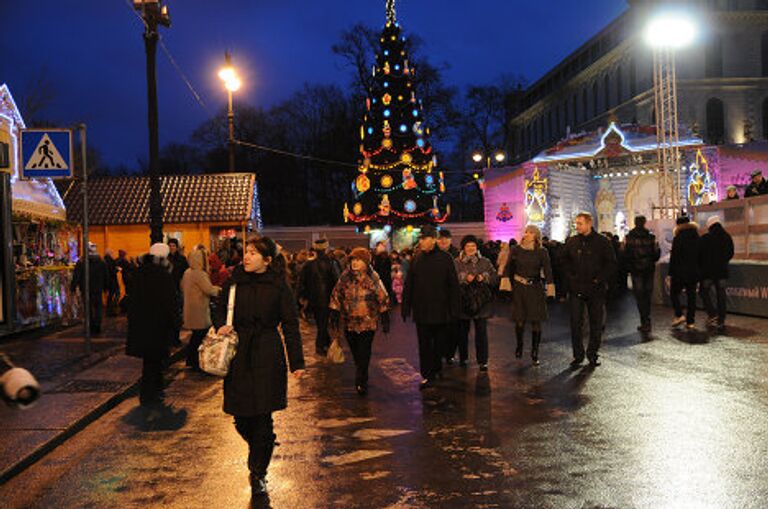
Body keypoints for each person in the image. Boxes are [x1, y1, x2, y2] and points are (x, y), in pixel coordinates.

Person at [213, 237, 305, 499]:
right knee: (240, 417)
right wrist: (220, 324)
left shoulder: (278, 286)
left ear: (267, 260)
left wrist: (296, 362)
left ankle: (258, 471)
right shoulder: (233, 282)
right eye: (246, 252)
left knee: (262, 415)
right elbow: (218, 310)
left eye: (253, 253)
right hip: (239, 354)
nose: (247, 256)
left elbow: (290, 324)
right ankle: (261, 445)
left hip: (267, 353)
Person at [126, 243, 185, 425]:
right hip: (158, 327)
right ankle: (151, 394)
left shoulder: (138, 273)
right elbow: (170, 303)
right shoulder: (163, 276)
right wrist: (176, 323)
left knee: (149, 361)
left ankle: (151, 393)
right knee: (154, 362)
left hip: (141, 326)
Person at [401, 225, 460, 389]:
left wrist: (455, 308)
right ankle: (427, 374)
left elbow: (453, 285)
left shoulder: (445, 258)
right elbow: (409, 285)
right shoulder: (417, 259)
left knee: (440, 343)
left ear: (433, 240)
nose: (421, 242)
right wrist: (406, 306)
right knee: (424, 344)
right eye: (420, 239)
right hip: (422, 310)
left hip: (441, 310)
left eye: (424, 238)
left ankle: (436, 367)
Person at [329, 247, 390, 395]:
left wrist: (385, 316)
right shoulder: (345, 277)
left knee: (364, 351)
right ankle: (361, 369)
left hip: (368, 322)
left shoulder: (372, 277)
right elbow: (336, 294)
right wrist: (334, 311)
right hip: (349, 322)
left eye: (358, 260)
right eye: (352, 260)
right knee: (356, 351)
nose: (354, 263)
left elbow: (382, 296)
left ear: (365, 262)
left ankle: (361, 379)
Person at [562, 213, 617, 367]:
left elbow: (611, 263)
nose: (577, 226)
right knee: (575, 322)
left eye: (580, 223)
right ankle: (578, 355)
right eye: (576, 223)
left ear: (589, 223)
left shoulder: (602, 242)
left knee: (596, 323)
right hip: (576, 288)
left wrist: (599, 279)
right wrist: (571, 276)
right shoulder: (572, 242)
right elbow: (564, 260)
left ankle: (592, 353)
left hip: (595, 289)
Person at [506, 225, 554, 366]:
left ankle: (535, 351)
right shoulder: (516, 249)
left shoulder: (542, 251)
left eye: (531, 232)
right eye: (526, 231)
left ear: (536, 236)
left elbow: (548, 270)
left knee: (536, 320)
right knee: (519, 319)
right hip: (519, 288)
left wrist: (550, 289)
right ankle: (520, 345)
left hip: (535, 288)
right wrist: (506, 286)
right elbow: (508, 267)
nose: (527, 234)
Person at [454, 235, 498, 370]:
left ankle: (483, 361)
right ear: (463, 248)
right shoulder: (457, 262)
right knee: (462, 332)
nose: (471, 248)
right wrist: (463, 278)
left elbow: (494, 278)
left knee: (481, 333)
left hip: (481, 302)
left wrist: (483, 277)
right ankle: (463, 358)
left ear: (477, 247)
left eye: (473, 246)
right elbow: (451, 278)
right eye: (468, 246)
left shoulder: (485, 261)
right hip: (463, 301)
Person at [181, 247, 221, 371]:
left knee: (196, 335)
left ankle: (191, 360)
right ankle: (194, 361)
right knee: (200, 336)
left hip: (190, 308)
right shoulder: (199, 274)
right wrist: (220, 290)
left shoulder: (187, 272)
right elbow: (208, 290)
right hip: (200, 309)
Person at [298, 237, 339, 355]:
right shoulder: (332, 263)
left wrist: (302, 298)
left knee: (321, 322)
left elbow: (302, 283)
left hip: (314, 299)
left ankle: (324, 343)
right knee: (324, 323)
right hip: (328, 299)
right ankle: (320, 345)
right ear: (326, 249)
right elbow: (337, 282)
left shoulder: (308, 265)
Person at [623, 215, 661, 333]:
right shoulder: (651, 237)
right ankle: (647, 319)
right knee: (647, 295)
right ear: (644, 223)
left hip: (635, 270)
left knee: (639, 296)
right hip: (649, 269)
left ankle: (643, 320)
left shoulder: (628, 238)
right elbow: (656, 255)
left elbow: (625, 255)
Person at [698, 216, 734, 333]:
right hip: (722, 272)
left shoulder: (705, 238)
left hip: (708, 273)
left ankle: (712, 314)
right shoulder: (727, 237)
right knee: (721, 295)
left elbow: (700, 255)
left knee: (703, 292)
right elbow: (730, 253)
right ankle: (721, 320)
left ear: (709, 226)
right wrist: (723, 262)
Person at [669, 216, 700, 329]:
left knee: (673, 293)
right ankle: (690, 322)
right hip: (693, 272)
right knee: (691, 296)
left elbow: (675, 257)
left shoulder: (678, 238)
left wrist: (670, 272)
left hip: (680, 272)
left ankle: (679, 314)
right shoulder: (696, 236)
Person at [71, 243, 107, 335]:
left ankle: (91, 325)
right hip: (98, 288)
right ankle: (97, 324)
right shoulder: (101, 261)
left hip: (86, 288)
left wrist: (73, 287)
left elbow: (77, 275)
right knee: (98, 306)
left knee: (88, 307)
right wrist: (106, 286)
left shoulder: (82, 261)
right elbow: (106, 275)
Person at [167, 238, 188, 345]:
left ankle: (176, 337)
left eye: (173, 246)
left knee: (177, 314)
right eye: (170, 246)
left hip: (178, 288)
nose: (171, 248)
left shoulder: (182, 259)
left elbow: (185, 273)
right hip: (167, 289)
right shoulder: (165, 259)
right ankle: (170, 338)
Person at [372, 241, 393, 333]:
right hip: (378, 281)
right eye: (378, 246)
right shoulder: (375, 257)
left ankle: (385, 318)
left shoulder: (385, 257)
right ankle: (382, 317)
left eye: (381, 246)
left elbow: (384, 269)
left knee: (383, 299)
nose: (379, 248)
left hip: (384, 281)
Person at [103, 249, 119, 316]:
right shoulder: (110, 261)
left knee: (111, 295)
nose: (113, 254)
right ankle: (112, 309)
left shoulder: (104, 260)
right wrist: (117, 269)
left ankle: (110, 309)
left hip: (108, 281)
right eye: (112, 253)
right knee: (115, 294)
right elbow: (112, 271)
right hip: (112, 280)